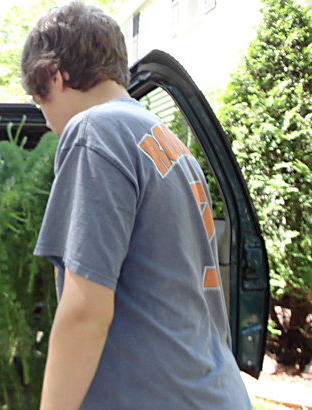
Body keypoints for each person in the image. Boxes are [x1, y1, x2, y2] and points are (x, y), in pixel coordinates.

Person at [21, 2, 251, 409]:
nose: (48, 122)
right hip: (214, 391)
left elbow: (85, 312)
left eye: (41, 102)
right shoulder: (173, 147)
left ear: (55, 76)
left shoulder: (94, 130)